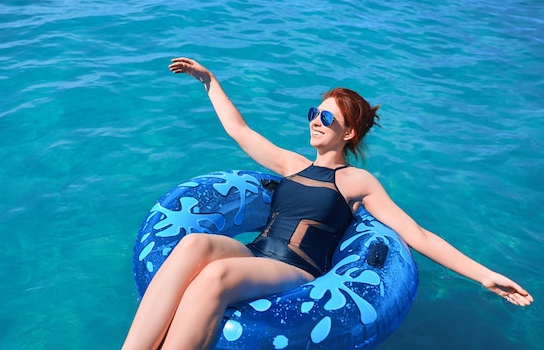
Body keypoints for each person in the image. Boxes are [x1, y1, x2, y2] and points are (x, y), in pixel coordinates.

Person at [121, 57, 533, 350]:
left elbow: (417, 234)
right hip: (255, 254)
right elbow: (239, 130)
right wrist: (209, 80)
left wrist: (484, 275)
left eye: (328, 118)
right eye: (314, 112)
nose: (316, 120)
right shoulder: (293, 165)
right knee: (193, 245)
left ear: (349, 132)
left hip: (295, 270)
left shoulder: (356, 181)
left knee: (216, 277)